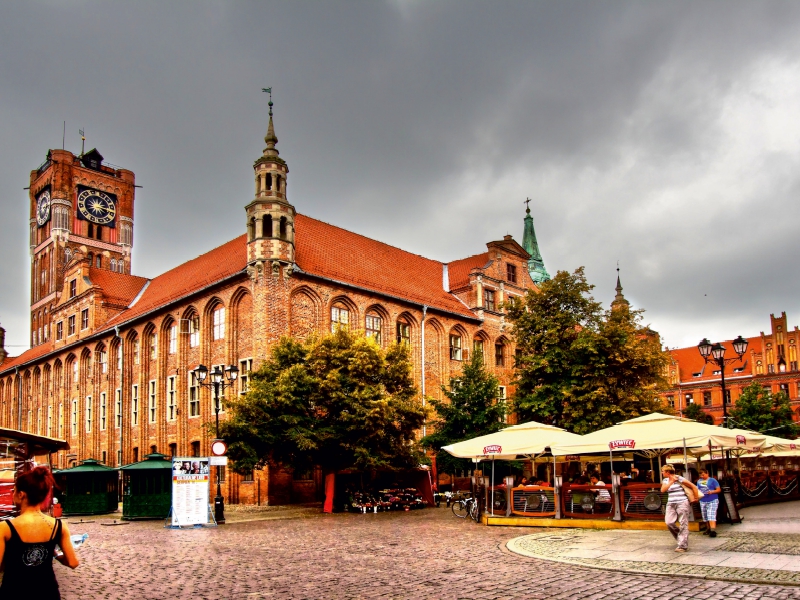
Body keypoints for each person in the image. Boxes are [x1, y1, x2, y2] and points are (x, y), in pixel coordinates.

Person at [0, 466, 79, 598]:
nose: (13, 495)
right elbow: (73, 563)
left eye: (14, 491)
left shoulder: (6, 527)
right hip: (47, 591)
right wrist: (55, 554)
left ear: (21, 494)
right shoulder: (59, 526)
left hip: (14, 591)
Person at [660, 464, 700, 552]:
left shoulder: (680, 478)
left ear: (667, 472)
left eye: (663, 471)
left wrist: (696, 498)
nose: (662, 473)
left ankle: (682, 545)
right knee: (669, 522)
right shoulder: (665, 480)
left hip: (682, 502)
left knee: (683, 523)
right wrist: (671, 482)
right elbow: (663, 490)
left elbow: (693, 486)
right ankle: (681, 538)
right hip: (670, 503)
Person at [696, 468, 721, 537]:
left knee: (711, 514)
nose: (702, 476)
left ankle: (713, 530)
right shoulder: (699, 481)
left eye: (703, 475)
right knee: (705, 515)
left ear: (707, 473)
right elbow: (697, 490)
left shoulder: (713, 480)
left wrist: (712, 491)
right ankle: (708, 528)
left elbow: (718, 489)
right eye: (701, 475)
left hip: (712, 499)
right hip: (703, 500)